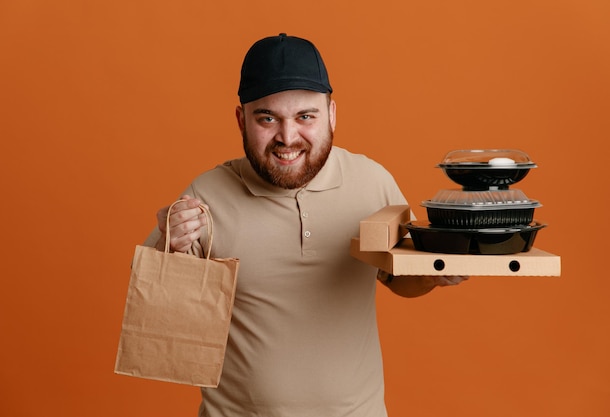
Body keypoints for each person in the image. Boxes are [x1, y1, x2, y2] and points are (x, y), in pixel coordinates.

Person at [143, 33, 467, 417]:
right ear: (240, 119)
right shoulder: (206, 197)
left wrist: (433, 275)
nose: (287, 137)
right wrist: (169, 248)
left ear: (331, 115)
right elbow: (161, 320)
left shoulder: (372, 182)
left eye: (305, 116)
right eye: (267, 117)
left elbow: (399, 279)